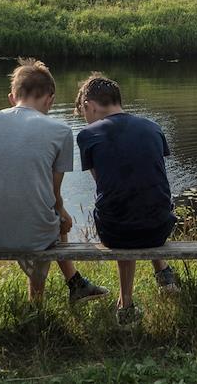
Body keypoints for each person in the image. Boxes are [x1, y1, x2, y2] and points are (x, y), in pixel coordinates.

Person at [0, 59, 108, 306]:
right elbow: (53, 194)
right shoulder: (60, 131)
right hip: (34, 237)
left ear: (12, 97)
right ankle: (37, 303)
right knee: (58, 220)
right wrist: (62, 212)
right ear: (50, 99)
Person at [74, 73, 179, 326]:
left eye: (83, 112)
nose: (85, 119)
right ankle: (164, 273)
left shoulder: (88, 135)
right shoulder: (153, 127)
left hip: (116, 232)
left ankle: (126, 304)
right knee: (137, 199)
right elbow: (151, 177)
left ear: (89, 105)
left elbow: (105, 187)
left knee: (119, 207)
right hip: (160, 227)